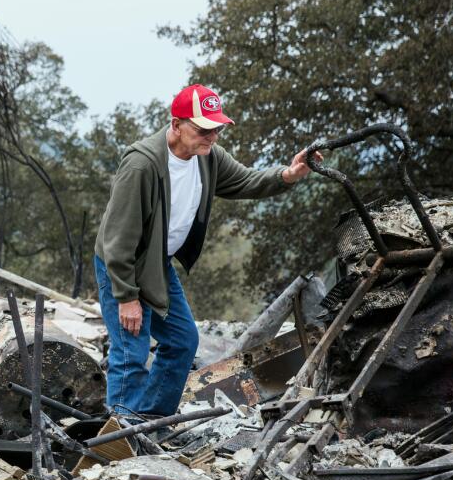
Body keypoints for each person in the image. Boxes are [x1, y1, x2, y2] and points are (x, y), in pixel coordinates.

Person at [92, 83, 320, 418]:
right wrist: (126, 297)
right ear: (176, 125)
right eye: (202, 130)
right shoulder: (142, 166)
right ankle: (120, 433)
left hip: (158, 263)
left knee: (183, 341)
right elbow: (118, 238)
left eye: (216, 129)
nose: (211, 137)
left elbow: (246, 181)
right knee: (131, 351)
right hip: (122, 265)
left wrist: (288, 174)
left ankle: (150, 421)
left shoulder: (207, 157)